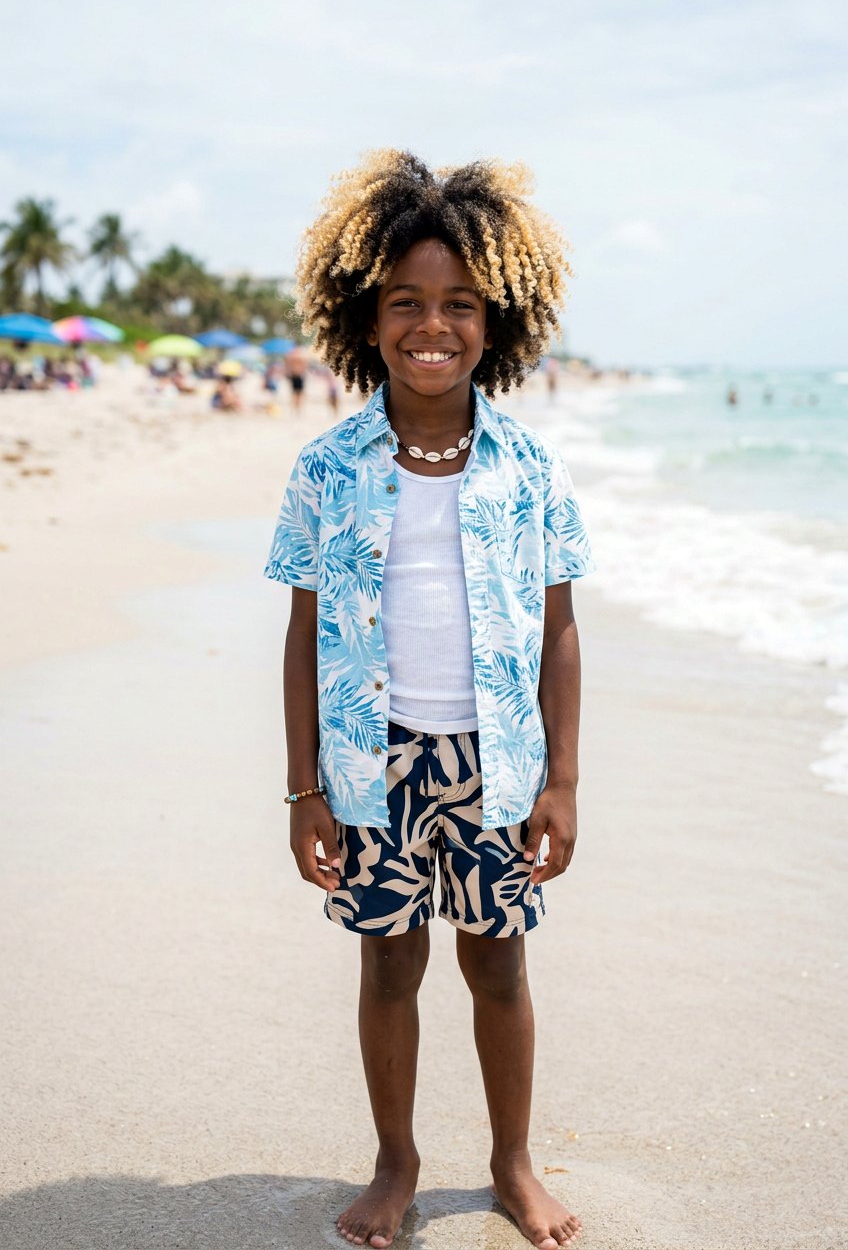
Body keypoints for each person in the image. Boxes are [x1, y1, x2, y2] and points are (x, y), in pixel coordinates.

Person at [265, 150, 593, 1250]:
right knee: (388, 959)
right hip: (374, 765)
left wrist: (562, 780)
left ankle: (509, 1162)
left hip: (494, 763)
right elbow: (304, 635)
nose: (430, 324)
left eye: (458, 303)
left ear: (494, 324)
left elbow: (557, 632)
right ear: (366, 317)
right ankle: (395, 1160)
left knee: (495, 960)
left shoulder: (530, 468)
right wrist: (305, 786)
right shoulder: (325, 466)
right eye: (405, 302)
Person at [283, 344, 308, 410]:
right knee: (298, 392)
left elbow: (287, 365)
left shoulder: (290, 355)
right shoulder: (301, 355)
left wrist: (287, 373)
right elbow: (304, 365)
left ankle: (296, 407)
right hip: (298, 375)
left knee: (295, 392)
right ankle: (297, 407)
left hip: (295, 374)